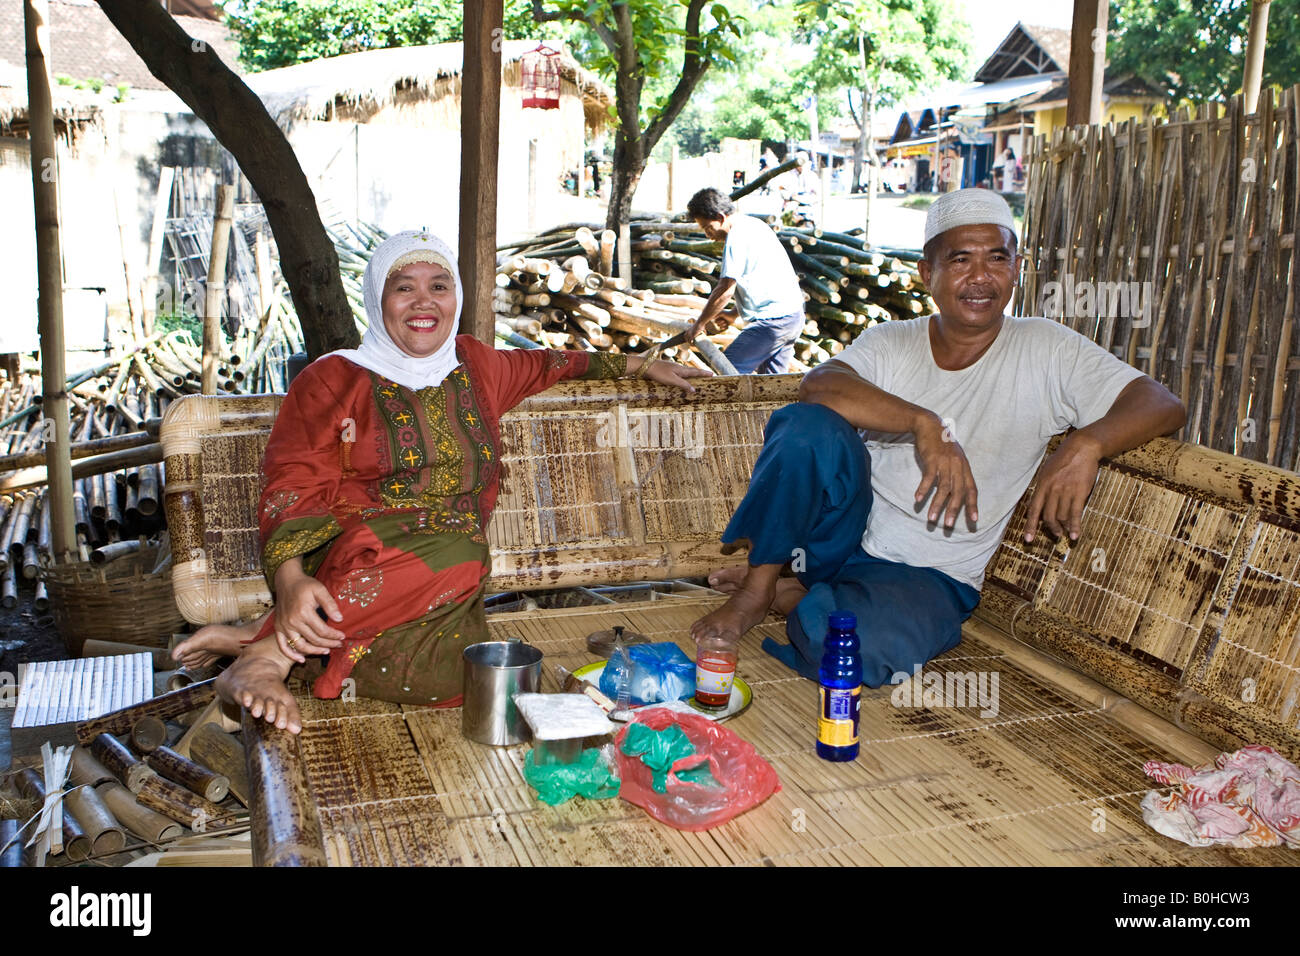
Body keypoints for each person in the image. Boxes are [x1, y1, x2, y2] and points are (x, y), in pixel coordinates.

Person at [175, 230, 711, 733]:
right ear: (376, 298)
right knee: (460, 543)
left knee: (453, 681)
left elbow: (554, 363)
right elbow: (292, 482)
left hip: (448, 576)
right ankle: (265, 657)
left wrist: (639, 368)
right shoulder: (333, 377)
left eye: (439, 286)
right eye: (403, 288)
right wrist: (290, 582)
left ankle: (264, 637)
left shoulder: (476, 364)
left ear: (455, 296)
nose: (423, 302)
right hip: (355, 556)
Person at [690, 189, 1186, 685]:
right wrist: (923, 423)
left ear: (1017, 268)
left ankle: (797, 593)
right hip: (842, 534)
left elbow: (1162, 404)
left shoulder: (1048, 348)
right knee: (805, 426)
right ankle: (758, 593)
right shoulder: (892, 342)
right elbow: (818, 385)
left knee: (857, 655)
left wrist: (1087, 444)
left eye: (997, 258)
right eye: (960, 259)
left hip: (927, 575)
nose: (980, 277)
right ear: (928, 273)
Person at [683, 187, 806, 375]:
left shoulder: (736, 237)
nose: (708, 235)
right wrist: (733, 314)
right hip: (793, 317)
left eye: (708, 228)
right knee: (773, 387)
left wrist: (700, 324)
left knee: (726, 373)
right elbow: (763, 280)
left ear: (721, 217)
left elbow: (725, 289)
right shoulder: (754, 225)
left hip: (773, 322)